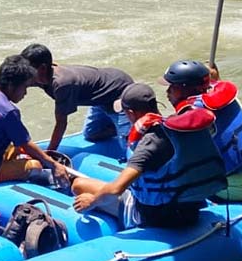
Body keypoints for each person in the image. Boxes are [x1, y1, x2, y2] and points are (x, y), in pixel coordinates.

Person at [71, 78, 226, 229]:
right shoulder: (176, 131)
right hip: (188, 207)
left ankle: (120, 225)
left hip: (157, 216)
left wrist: (92, 201)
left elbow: (115, 190)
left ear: (131, 113)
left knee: (79, 185)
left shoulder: (149, 143)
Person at [0, 55, 70, 189]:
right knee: (35, 165)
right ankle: (41, 185)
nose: (25, 93)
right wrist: (54, 164)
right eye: (25, 87)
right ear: (11, 86)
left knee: (16, 148)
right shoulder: (9, 111)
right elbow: (26, 144)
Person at [161, 59, 242, 202]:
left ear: (185, 89)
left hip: (231, 191)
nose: (167, 92)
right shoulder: (231, 99)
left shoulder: (194, 118)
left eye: (172, 87)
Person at [20, 43, 134, 152]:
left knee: (129, 147)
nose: (25, 73)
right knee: (91, 134)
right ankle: (121, 129)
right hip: (100, 98)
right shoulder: (40, 76)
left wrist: (50, 153)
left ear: (43, 68)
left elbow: (61, 123)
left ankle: (133, 130)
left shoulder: (62, 84)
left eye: (28, 70)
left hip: (120, 92)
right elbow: (16, 83)